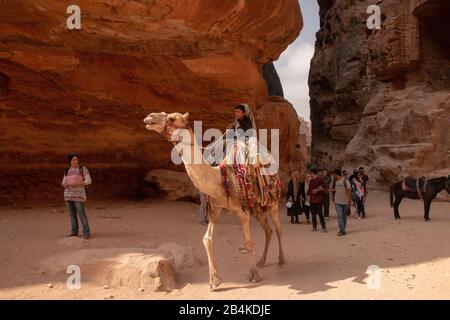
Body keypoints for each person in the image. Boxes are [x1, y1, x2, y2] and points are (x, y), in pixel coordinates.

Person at [61, 153, 92, 239]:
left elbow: (89, 180)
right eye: (73, 160)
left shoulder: (82, 169)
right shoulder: (67, 170)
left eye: (76, 159)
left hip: (78, 195)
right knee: (72, 215)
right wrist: (68, 184)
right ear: (70, 161)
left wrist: (80, 183)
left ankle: (86, 232)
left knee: (81, 214)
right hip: (68, 195)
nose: (75, 161)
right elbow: (63, 182)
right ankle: (74, 232)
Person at [331, 168, 353, 236]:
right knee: (340, 216)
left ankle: (343, 230)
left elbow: (349, 191)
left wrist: (349, 201)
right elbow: (336, 189)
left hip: (345, 202)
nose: (333, 176)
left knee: (344, 217)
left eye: (334, 175)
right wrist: (329, 190)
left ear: (336, 174)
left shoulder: (345, 181)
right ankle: (341, 230)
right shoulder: (336, 182)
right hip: (337, 202)